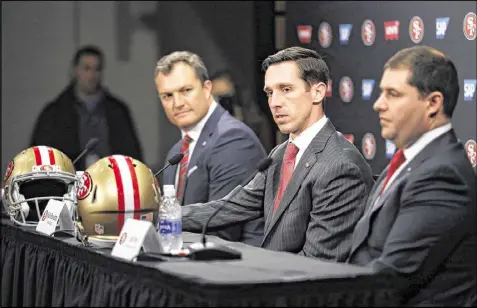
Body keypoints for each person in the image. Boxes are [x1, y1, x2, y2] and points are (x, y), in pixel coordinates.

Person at [181, 46, 374, 260]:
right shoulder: (281, 154)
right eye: (270, 93)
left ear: (318, 92)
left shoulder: (340, 165)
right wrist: (162, 217)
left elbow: (318, 263)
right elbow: (233, 206)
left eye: (286, 89)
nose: (274, 103)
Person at [347, 46, 476, 306]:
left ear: (433, 103)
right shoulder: (410, 160)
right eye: (382, 92)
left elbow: (390, 279)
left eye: (392, 94)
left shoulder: (443, 175)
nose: (378, 104)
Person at [155, 51, 267, 246]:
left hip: (235, 268)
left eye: (186, 90)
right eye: (167, 96)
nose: (177, 103)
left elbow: (220, 230)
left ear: (207, 89)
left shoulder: (233, 139)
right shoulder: (176, 152)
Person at [30, 45, 143, 171]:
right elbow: (39, 160)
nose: (92, 75)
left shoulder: (117, 112)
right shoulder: (54, 114)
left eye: (97, 69)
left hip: (111, 186)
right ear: (75, 70)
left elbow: (133, 159)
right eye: (87, 68)